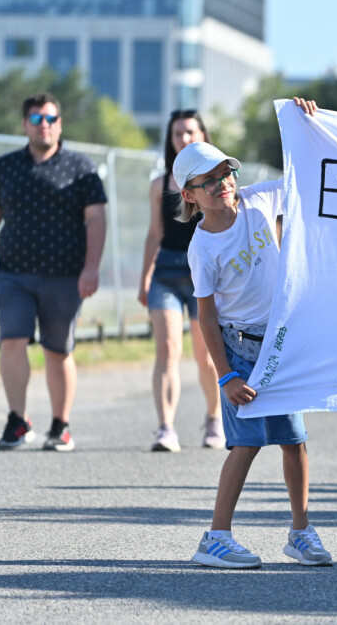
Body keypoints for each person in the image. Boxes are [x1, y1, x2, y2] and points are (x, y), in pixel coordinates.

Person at [183, 98, 331, 569]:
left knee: (294, 439)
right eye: (208, 182)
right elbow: (206, 316)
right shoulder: (202, 247)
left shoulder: (261, 200)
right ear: (190, 195)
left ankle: (301, 532)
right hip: (240, 349)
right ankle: (215, 537)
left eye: (225, 174)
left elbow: (307, 177)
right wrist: (225, 376)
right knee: (245, 443)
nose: (222, 185)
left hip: (279, 344)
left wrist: (309, 126)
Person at [0, 92, 107, 452]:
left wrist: (91, 267)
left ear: (59, 124)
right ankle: (17, 420)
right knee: (12, 340)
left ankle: (60, 425)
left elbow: (96, 218)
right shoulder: (6, 167)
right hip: (12, 274)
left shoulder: (81, 168)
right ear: (24, 125)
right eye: (36, 119)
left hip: (64, 276)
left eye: (49, 119)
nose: (43, 125)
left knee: (57, 350)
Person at [138, 109, 222, 452]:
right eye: (177, 133)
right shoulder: (160, 184)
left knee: (205, 357)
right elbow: (154, 233)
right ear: (170, 140)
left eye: (190, 131)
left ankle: (215, 419)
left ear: (203, 135)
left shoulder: (218, 182)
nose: (184, 138)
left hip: (204, 277)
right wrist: (144, 277)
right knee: (168, 349)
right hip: (166, 276)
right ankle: (165, 428)